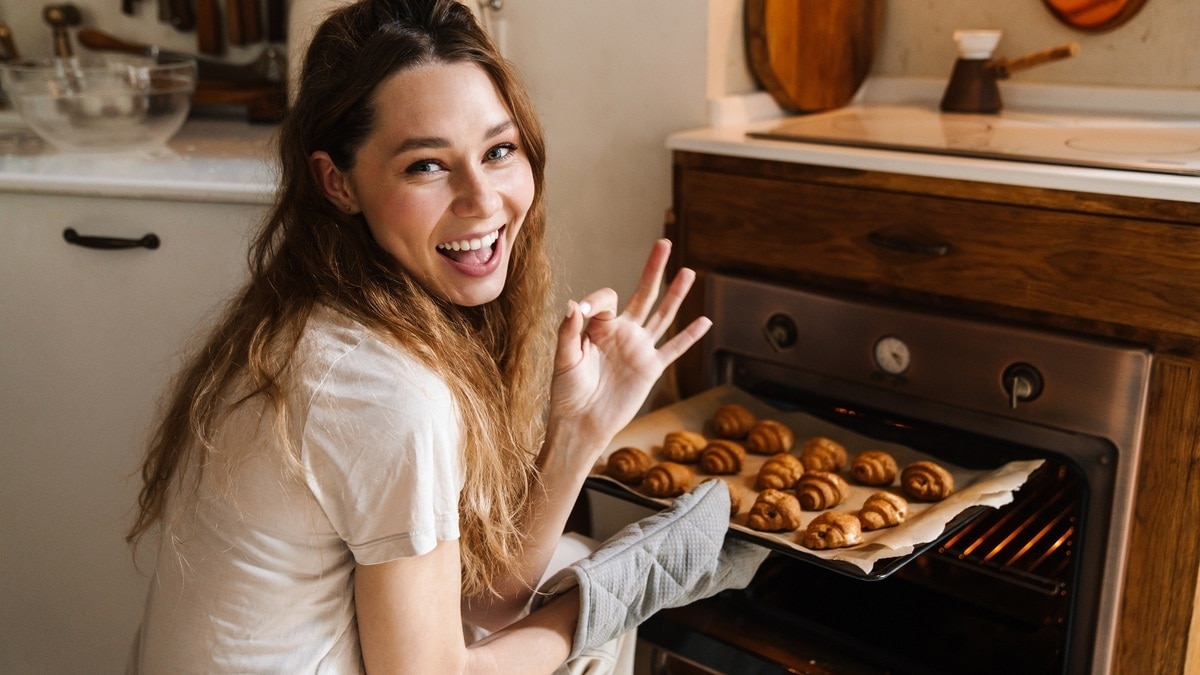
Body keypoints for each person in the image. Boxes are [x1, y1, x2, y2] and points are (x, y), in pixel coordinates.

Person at [124, 1, 766, 673]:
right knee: (583, 596)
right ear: (337, 181)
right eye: (426, 165)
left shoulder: (318, 313)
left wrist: (578, 428)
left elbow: (482, 601)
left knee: (570, 565)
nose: (483, 199)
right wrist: (615, 594)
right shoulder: (381, 387)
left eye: (498, 151)